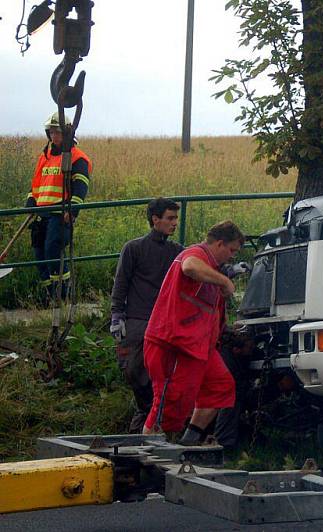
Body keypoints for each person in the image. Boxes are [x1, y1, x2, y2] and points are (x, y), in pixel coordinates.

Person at [141, 220, 244, 445]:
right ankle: (148, 456)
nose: (233, 256)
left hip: (200, 347)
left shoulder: (211, 270)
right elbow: (189, 267)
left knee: (221, 387)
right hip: (174, 344)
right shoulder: (196, 254)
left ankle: (187, 444)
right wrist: (224, 280)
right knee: (168, 403)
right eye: (232, 250)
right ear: (219, 243)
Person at [110, 198, 183, 433]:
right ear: (155, 219)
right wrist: (116, 315)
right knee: (134, 372)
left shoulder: (176, 252)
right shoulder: (134, 248)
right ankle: (143, 428)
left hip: (162, 325)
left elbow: (198, 262)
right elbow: (121, 283)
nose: (174, 223)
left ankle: (144, 432)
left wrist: (226, 269)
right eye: (170, 218)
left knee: (156, 381)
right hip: (137, 323)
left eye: (175, 218)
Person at [26, 112, 92, 298]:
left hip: (60, 213)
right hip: (42, 213)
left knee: (52, 251)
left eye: (58, 132)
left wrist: (73, 211)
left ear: (67, 132)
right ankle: (49, 295)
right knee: (39, 254)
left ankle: (63, 294)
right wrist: (31, 201)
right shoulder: (44, 157)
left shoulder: (77, 157)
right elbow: (36, 184)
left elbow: (80, 188)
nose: (54, 136)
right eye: (52, 132)